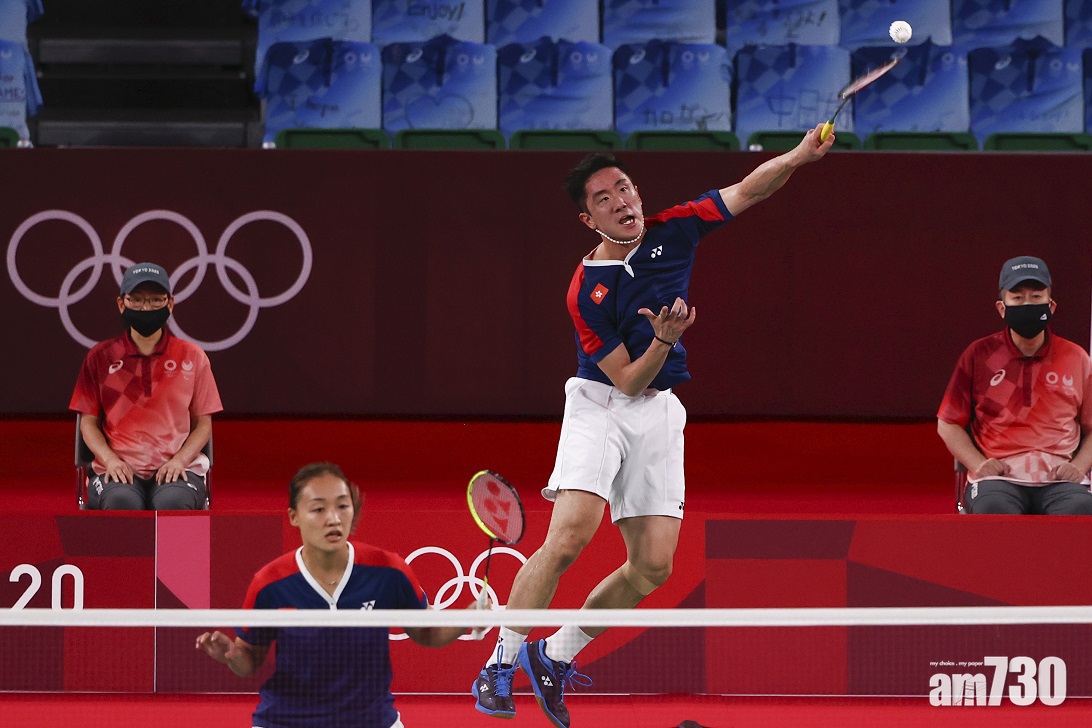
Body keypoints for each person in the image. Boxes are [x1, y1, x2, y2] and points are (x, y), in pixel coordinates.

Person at [472, 126, 834, 726]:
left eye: (626, 188)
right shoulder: (586, 291)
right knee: (569, 538)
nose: (623, 201)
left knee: (654, 566)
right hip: (602, 402)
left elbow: (749, 190)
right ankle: (499, 663)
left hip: (659, 410)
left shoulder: (676, 228)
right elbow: (626, 381)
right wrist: (665, 341)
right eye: (605, 199)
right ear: (589, 221)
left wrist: (799, 155)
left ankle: (553, 656)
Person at [196, 462, 470, 728]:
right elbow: (250, 660)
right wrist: (232, 655)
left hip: (371, 721)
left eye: (342, 506)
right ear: (294, 516)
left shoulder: (388, 571)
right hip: (286, 721)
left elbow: (426, 633)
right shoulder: (271, 583)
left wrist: (468, 618)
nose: (334, 518)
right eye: (318, 509)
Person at [938, 255, 1092, 515]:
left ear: (1051, 305)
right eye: (1018, 298)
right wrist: (978, 464)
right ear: (1002, 307)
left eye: (1036, 297)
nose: (1027, 304)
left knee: (1081, 509)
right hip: (998, 479)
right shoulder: (980, 356)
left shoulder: (1076, 357)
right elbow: (948, 422)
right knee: (994, 509)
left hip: (1059, 479)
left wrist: (1078, 466)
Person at [69, 261, 222, 510]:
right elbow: (88, 423)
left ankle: (179, 552)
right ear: (122, 304)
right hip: (118, 467)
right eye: (137, 300)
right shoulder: (101, 357)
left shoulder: (192, 356)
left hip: (177, 468)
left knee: (173, 502)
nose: (145, 307)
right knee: (121, 501)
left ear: (170, 303)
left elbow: (203, 424)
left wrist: (180, 461)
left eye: (155, 300)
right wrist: (110, 460)